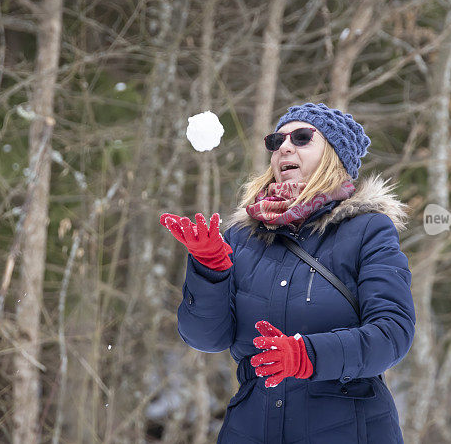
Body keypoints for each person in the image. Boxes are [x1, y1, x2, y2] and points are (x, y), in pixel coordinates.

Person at [160, 103, 414, 443]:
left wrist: (308, 355)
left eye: (302, 137)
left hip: (349, 430)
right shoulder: (242, 237)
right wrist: (210, 271)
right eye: (277, 140)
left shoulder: (368, 229)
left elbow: (392, 334)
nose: (284, 146)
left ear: (334, 156)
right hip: (250, 430)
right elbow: (207, 338)